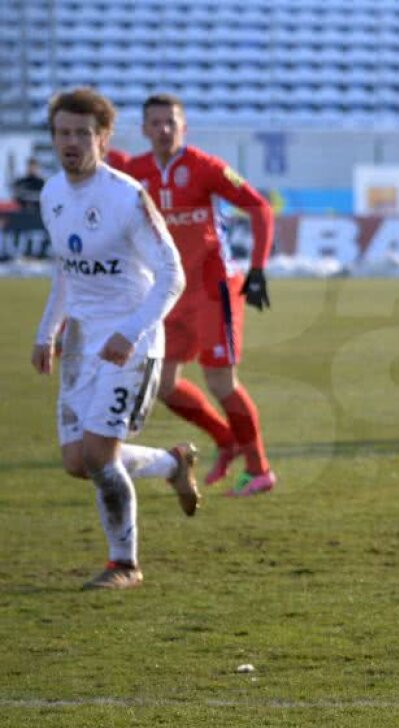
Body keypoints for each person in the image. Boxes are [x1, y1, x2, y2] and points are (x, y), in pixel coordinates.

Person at [31, 87, 200, 590]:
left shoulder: (127, 197)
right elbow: (68, 271)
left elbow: (173, 274)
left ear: (103, 138)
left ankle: (124, 564)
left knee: (101, 456)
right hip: (83, 342)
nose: (71, 143)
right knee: (78, 462)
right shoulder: (51, 195)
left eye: (82, 133)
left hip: (133, 339)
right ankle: (173, 463)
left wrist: (131, 331)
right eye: (63, 133)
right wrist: (48, 331)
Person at [124, 94, 276, 497]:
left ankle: (259, 469)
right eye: (155, 123)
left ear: (184, 128)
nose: (163, 129)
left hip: (214, 289)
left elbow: (259, 207)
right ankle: (227, 439)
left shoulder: (205, 167)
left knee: (221, 380)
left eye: (171, 122)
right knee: (165, 384)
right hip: (171, 292)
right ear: (144, 129)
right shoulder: (133, 172)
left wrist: (258, 268)